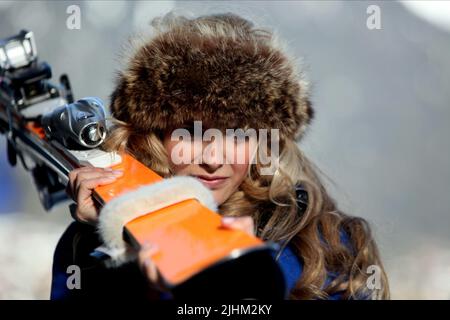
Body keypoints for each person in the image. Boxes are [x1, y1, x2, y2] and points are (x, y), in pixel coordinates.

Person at [52, 12, 389, 300]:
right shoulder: (92, 242)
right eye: (192, 132)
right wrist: (109, 255)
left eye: (237, 133)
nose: (214, 158)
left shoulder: (327, 247)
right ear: (155, 135)